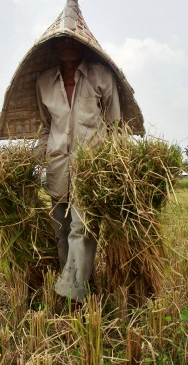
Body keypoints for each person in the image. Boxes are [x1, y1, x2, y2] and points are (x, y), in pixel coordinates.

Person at [36, 36, 120, 302]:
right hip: (57, 166)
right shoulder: (44, 83)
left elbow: (114, 125)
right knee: (61, 232)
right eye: (61, 41)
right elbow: (46, 127)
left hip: (90, 168)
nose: (67, 45)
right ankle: (79, 282)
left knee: (81, 229)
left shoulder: (101, 76)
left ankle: (71, 295)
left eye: (72, 40)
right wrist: (34, 162)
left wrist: (116, 166)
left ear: (84, 44)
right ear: (53, 47)